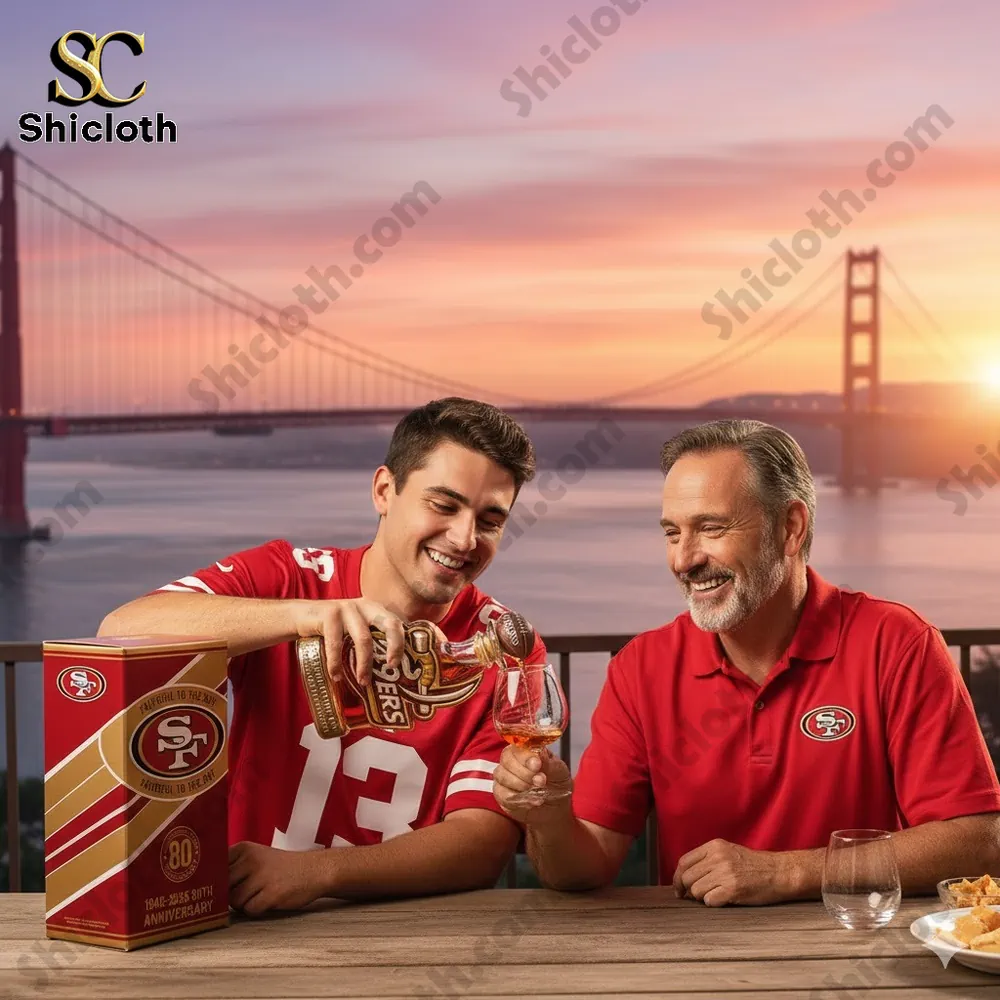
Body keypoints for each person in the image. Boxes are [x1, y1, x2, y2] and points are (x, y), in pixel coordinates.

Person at [493, 418, 1000, 904]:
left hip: (859, 952)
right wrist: (549, 819)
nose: (684, 559)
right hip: (694, 960)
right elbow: (585, 868)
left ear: (791, 527)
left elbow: (977, 842)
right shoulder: (639, 668)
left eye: (711, 528)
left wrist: (787, 871)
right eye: (672, 533)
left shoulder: (899, 644)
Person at [99, 397, 544, 915]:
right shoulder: (289, 576)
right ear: (384, 490)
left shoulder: (505, 644)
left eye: (489, 520)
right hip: (248, 918)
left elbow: (484, 843)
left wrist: (318, 872)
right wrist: (301, 617)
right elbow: (121, 628)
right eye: (443, 505)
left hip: (415, 930)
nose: (465, 538)